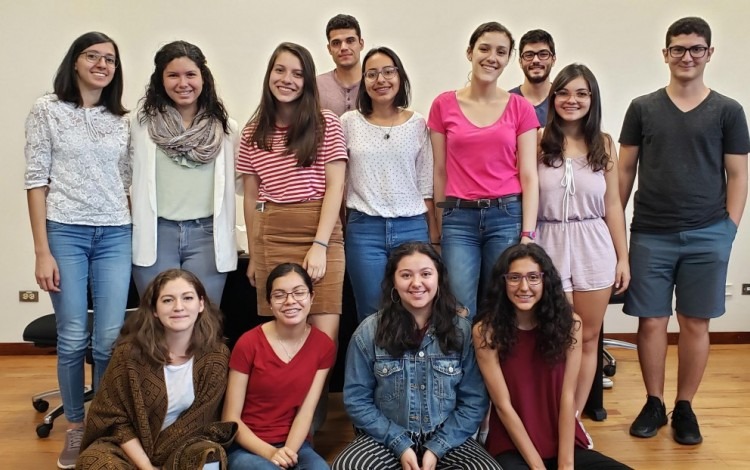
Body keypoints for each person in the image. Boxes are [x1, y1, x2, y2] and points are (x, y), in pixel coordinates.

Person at [618, 16, 749, 445]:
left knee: (695, 323)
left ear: (709, 53)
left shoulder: (729, 110)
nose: (687, 56)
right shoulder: (643, 107)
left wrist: (728, 230)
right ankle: (654, 402)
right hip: (650, 233)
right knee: (652, 322)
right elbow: (624, 170)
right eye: (678, 48)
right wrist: (613, 227)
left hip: (708, 233)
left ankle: (685, 407)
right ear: (666, 54)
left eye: (696, 48)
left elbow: (738, 175)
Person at [24, 31, 132, 469]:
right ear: (75, 62)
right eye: (93, 56)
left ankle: (101, 427)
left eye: (109, 59)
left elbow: (126, 181)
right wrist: (41, 250)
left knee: (108, 340)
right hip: (64, 232)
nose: (102, 65)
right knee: (72, 337)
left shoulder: (121, 119)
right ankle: (74, 425)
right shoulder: (46, 110)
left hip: (115, 234)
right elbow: (35, 181)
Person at [332, 242, 499, 470]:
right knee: (348, 466)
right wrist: (399, 443)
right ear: (393, 281)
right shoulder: (368, 332)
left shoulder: (462, 331)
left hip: (448, 437)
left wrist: (437, 447)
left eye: (426, 274)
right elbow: (357, 400)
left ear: (439, 279)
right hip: (386, 437)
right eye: (406, 275)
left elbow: (474, 402)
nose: (416, 283)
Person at [473, 244, 632, 469]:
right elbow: (502, 406)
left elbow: (568, 397)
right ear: (503, 282)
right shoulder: (485, 331)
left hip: (562, 440)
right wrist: (538, 467)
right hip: (513, 445)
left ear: (545, 280)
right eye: (514, 277)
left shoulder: (571, 325)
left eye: (533, 277)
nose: (524, 286)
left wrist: (566, 464)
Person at [236, 42, 347, 342]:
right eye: (280, 70)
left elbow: (336, 186)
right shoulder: (252, 131)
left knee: (324, 337)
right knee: (285, 333)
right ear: (269, 74)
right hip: (272, 233)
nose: (287, 79)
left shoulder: (327, 123)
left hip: (320, 230)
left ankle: (318, 393)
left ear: (308, 81)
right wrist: (256, 253)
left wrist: (320, 245)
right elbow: (251, 197)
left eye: (297, 74)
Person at [428, 21, 539, 318]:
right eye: (485, 48)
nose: (492, 57)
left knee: (499, 305)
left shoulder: (520, 108)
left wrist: (527, 232)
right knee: (460, 307)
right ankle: (465, 366)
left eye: (501, 52)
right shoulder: (443, 105)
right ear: (470, 52)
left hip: (505, 217)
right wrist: (439, 228)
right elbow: (439, 171)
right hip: (458, 218)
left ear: (508, 60)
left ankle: (496, 366)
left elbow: (529, 174)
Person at [537, 63, 629, 415]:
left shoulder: (602, 143)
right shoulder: (536, 140)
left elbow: (614, 205)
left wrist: (623, 257)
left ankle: (573, 419)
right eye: (563, 92)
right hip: (549, 241)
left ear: (592, 98)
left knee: (588, 338)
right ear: (553, 96)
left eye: (581, 93)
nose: (571, 100)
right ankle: (548, 416)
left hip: (594, 242)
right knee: (553, 338)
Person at [77, 269, 235, 469]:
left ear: (201, 304)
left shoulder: (216, 356)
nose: (179, 307)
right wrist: (147, 466)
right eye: (168, 300)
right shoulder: (129, 353)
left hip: (185, 447)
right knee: (94, 463)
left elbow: (201, 421)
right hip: (127, 449)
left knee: (209, 457)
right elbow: (113, 419)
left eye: (187, 298)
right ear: (154, 309)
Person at [130, 41, 239, 305]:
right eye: (173, 75)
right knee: (157, 320)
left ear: (203, 78)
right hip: (157, 234)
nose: (183, 83)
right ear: (160, 80)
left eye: (190, 74)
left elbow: (241, 183)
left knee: (204, 320)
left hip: (207, 236)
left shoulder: (226, 130)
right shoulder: (140, 125)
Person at [341, 46, 436, 322]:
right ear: (363, 81)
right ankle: (376, 366)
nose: (380, 80)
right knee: (372, 313)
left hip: (412, 227)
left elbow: (425, 185)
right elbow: (338, 181)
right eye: (371, 74)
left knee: (416, 308)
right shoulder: (348, 122)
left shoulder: (418, 123)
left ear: (400, 76)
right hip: (364, 229)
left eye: (388, 72)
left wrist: (434, 238)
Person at [223, 263, 335, 469]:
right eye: (280, 295)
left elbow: (306, 412)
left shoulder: (323, 346)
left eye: (299, 293)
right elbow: (230, 418)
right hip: (247, 444)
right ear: (270, 303)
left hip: (295, 444)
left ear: (312, 297)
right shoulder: (248, 343)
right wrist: (272, 453)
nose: (290, 301)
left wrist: (287, 454)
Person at [317, 14, 364, 116]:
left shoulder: (375, 84)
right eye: (336, 43)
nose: (343, 47)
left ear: (361, 44)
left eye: (350, 41)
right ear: (329, 49)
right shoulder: (316, 86)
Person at [509, 29, 557, 126]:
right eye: (529, 55)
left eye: (543, 54)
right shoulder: (506, 102)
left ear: (553, 60)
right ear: (520, 62)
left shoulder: (563, 100)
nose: (535, 60)